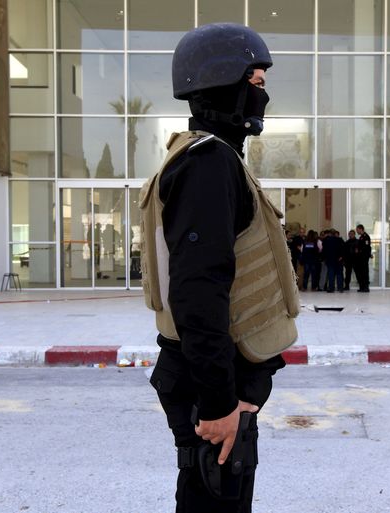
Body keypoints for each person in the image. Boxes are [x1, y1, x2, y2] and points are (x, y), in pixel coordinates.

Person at [139, 23, 300, 513]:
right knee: (213, 502)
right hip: (213, 378)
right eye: (255, 82)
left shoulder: (211, 158)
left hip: (219, 374)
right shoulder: (208, 164)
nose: (263, 96)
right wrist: (218, 404)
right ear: (221, 83)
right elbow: (198, 292)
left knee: (215, 499)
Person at [353, 224, 372, 292]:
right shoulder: (361, 237)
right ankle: (362, 287)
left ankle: (366, 287)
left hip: (364, 258)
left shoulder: (366, 237)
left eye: (357, 230)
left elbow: (366, 247)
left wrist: (359, 250)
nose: (357, 231)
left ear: (361, 229)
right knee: (360, 272)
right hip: (360, 258)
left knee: (364, 272)